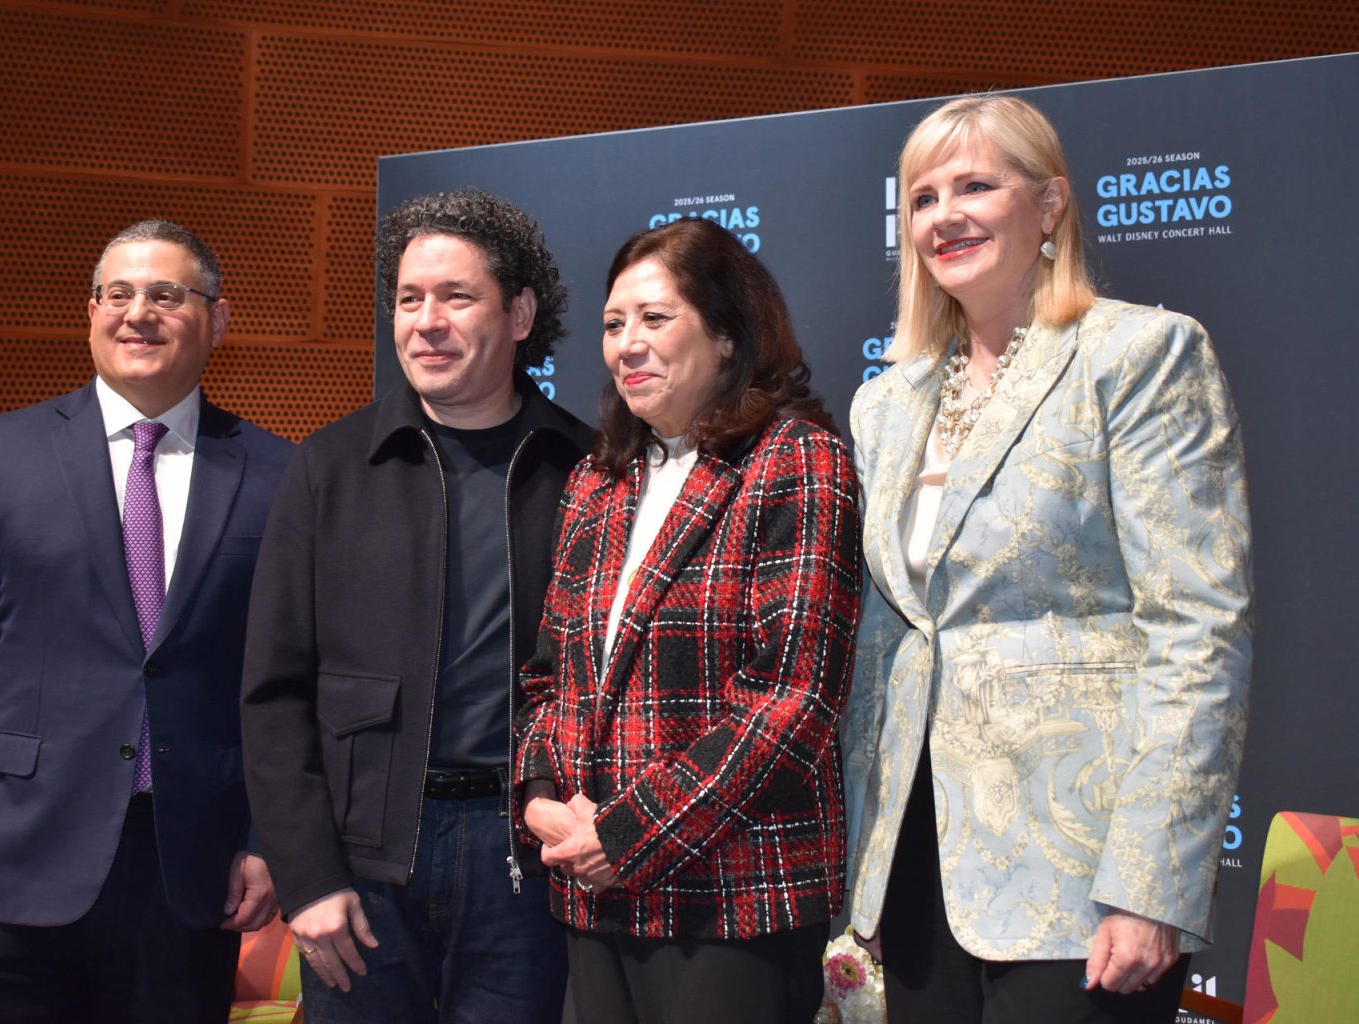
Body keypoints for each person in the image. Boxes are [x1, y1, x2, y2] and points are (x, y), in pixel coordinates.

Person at [839, 94, 1254, 1023]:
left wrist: (1154, 881)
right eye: (923, 196)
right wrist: (862, 864)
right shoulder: (884, 404)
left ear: (1050, 204)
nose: (945, 214)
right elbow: (884, 641)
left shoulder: (1140, 354)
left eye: (977, 185)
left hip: (1084, 866)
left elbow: (1199, 630)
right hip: (915, 866)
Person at [0, 220, 290, 1022]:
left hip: (186, 868)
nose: (138, 313)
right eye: (117, 294)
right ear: (90, 311)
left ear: (218, 321)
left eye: (167, 295)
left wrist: (269, 840)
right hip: (8, 858)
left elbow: (286, 682)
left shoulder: (279, 473)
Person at [240, 186, 593, 1023]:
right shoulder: (329, 467)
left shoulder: (585, 468)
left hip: (524, 861)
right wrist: (308, 876)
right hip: (361, 865)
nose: (425, 321)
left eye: (456, 296)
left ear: (519, 313)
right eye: (408, 298)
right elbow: (272, 692)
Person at [515, 217, 861, 1024]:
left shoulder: (796, 460)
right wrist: (539, 799)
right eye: (612, 324)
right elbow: (545, 676)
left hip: (732, 901)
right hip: (592, 898)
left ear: (730, 336)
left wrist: (628, 832)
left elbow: (793, 701)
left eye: (655, 318)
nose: (627, 344)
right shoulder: (597, 483)